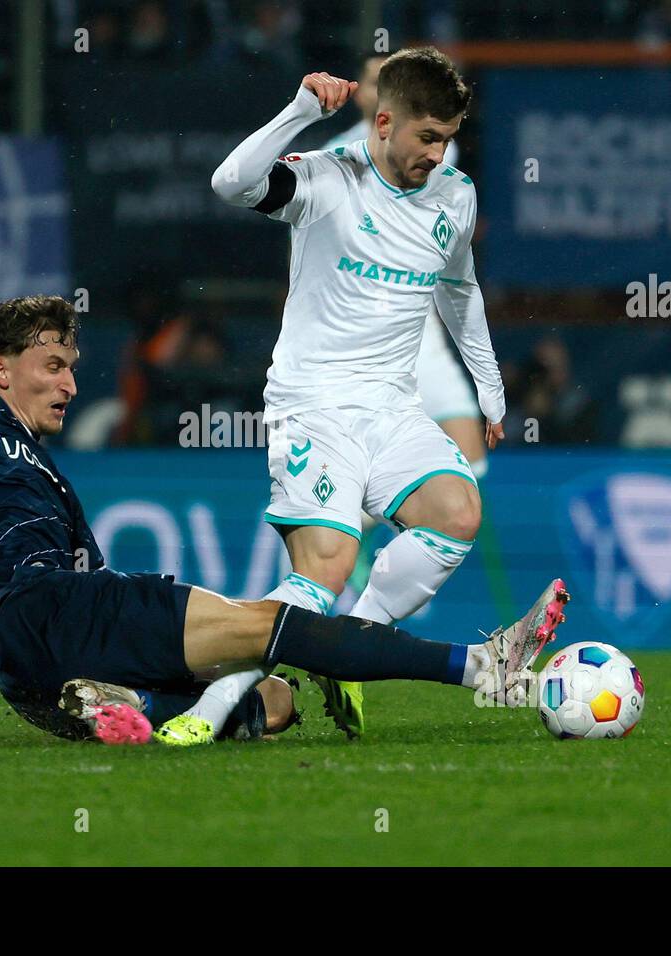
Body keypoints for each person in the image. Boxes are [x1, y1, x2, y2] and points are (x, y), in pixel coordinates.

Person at [0, 295, 567, 747]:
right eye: (51, 365)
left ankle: (116, 702)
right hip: (47, 605)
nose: (68, 382)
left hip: (24, 672)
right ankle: (481, 668)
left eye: (71, 366)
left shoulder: (40, 474)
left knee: (265, 701)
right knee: (274, 627)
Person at [182, 47, 514, 743]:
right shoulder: (329, 180)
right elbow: (229, 181)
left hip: (392, 408)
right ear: (385, 121)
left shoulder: (455, 194)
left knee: (457, 512)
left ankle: (350, 648)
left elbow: (459, 290)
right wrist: (301, 112)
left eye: (449, 138)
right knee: (324, 570)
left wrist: (489, 387)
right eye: (428, 137)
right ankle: (204, 713)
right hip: (315, 407)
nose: (438, 153)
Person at [322, 52, 489, 601]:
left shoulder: (429, 143)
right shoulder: (332, 156)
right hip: (362, 339)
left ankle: (377, 534)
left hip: (424, 339)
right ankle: (355, 537)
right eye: (366, 79)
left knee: (473, 455)